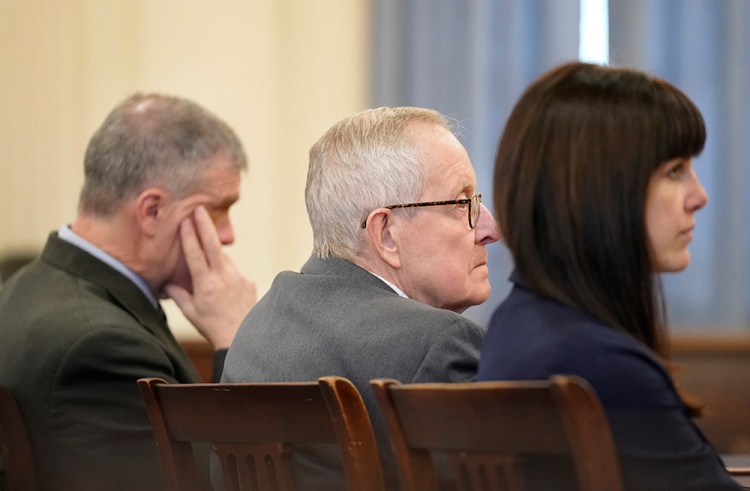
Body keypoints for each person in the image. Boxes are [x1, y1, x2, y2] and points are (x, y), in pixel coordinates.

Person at [478, 62, 741, 490]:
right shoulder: (598, 365)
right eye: (675, 171)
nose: (699, 195)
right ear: (600, 189)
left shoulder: (518, 326)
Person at [221, 106, 500, 489]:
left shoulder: (257, 329)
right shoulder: (438, 344)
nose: (489, 227)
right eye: (462, 202)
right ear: (385, 234)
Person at [0, 93, 257, 491]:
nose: (227, 235)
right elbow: (213, 481)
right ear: (152, 211)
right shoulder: (99, 345)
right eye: (218, 208)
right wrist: (237, 340)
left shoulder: (18, 292)